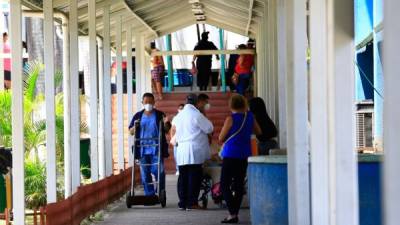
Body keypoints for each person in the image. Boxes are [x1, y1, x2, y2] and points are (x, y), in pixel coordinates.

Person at [218, 94, 261, 223]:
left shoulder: (230, 119)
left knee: (224, 184)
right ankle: (234, 213)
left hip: (230, 154)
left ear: (231, 105)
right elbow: (258, 132)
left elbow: (221, 138)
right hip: (244, 154)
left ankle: (232, 213)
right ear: (244, 103)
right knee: (238, 185)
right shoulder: (250, 117)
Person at [171, 94, 213, 210]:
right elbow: (209, 128)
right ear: (196, 103)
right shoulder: (196, 115)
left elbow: (173, 130)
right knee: (194, 177)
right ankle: (192, 203)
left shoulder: (179, 116)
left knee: (183, 177)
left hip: (181, 151)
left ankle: (183, 203)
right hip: (194, 150)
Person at [128, 93, 169, 196]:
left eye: (150, 102)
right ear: (142, 102)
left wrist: (165, 123)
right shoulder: (138, 116)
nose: (148, 104)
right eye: (146, 102)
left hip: (156, 148)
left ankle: (160, 192)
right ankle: (149, 195)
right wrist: (135, 126)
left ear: (154, 102)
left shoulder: (160, 114)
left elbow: (167, 129)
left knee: (159, 172)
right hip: (142, 149)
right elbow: (131, 131)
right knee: (145, 174)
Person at [171, 103, 185, 175]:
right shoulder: (175, 118)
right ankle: (178, 169)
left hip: (185, 140)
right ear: (178, 110)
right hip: (177, 139)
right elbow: (172, 129)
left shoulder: (187, 117)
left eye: (182, 108)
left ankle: (183, 170)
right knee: (176, 155)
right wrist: (172, 139)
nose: (181, 110)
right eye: (180, 108)